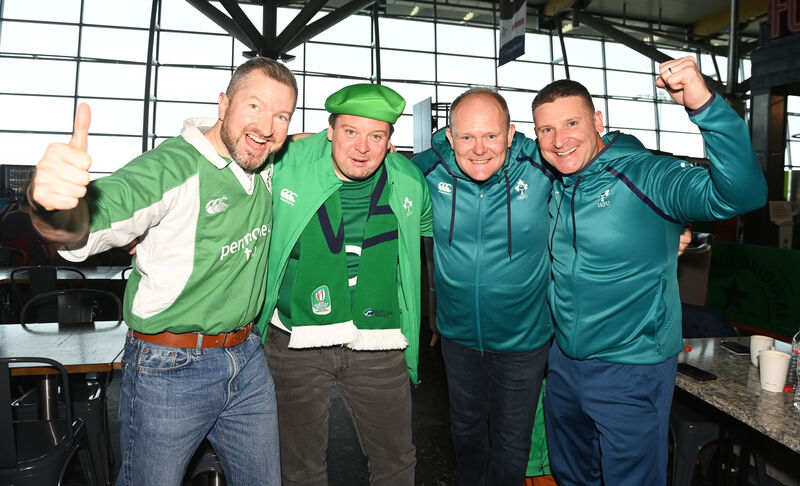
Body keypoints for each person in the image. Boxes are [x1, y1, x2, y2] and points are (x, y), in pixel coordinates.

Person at [27, 57, 297, 486]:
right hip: (171, 368)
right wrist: (52, 206)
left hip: (246, 358)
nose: (267, 126)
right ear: (223, 104)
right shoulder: (171, 168)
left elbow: (318, 142)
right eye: (255, 106)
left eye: (281, 115)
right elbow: (84, 228)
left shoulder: (265, 163)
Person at [533, 56, 767, 485]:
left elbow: (742, 194)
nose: (558, 139)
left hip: (631, 366)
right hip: (565, 362)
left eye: (571, 124)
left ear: (597, 120)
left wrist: (704, 105)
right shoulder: (557, 181)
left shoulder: (648, 175)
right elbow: (483, 146)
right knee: (571, 476)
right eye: (546, 129)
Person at [255, 83, 432, 485]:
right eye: (350, 131)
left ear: (390, 142)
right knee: (298, 466)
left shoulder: (409, 182)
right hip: (294, 337)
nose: (362, 147)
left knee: (396, 460)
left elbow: (429, 236)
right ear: (329, 131)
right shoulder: (286, 164)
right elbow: (225, 179)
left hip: (379, 339)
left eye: (377, 135)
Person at [410, 88, 554, 485]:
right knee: (467, 430)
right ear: (450, 137)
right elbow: (367, 166)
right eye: (467, 137)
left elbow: (605, 162)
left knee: (511, 441)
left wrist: (666, 224)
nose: (479, 149)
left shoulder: (542, 166)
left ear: (510, 134)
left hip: (524, 340)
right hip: (457, 337)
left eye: (491, 136)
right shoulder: (427, 169)